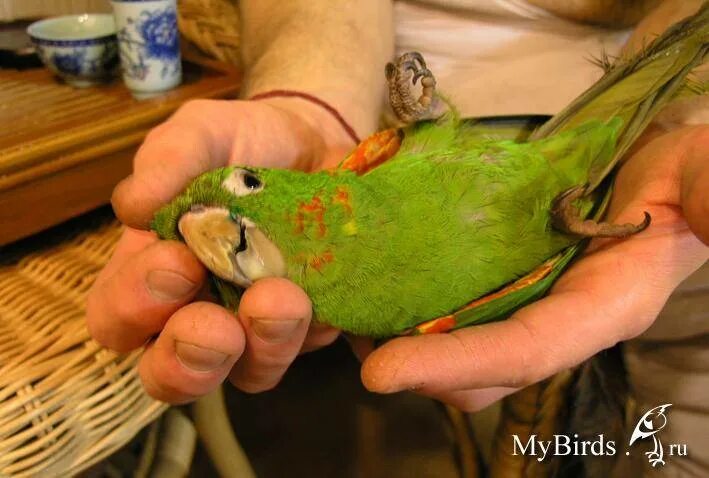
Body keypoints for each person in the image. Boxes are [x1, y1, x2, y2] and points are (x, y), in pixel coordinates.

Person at [86, 0, 708, 473]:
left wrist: (682, 116)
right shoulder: (357, 292)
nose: (230, 234)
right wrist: (310, 102)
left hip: (621, 140)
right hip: (563, 209)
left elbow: (429, 142)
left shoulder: (362, 169)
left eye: (245, 186)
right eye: (222, 252)